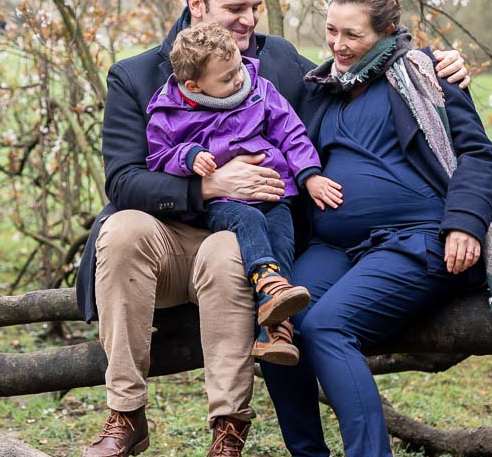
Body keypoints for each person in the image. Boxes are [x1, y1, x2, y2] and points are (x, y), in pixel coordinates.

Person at [74, 0, 469, 457]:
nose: (249, 21)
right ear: (196, 5)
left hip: (240, 243)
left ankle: (227, 439)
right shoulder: (137, 77)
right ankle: (124, 414)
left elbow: (355, 67)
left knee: (233, 253)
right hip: (166, 241)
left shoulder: (278, 63)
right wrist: (207, 185)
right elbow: (123, 180)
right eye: (236, 8)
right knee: (123, 229)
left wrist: (434, 63)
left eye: (257, 8)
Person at [245, 0, 492, 457]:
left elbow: (476, 154)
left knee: (328, 326)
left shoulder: (425, 74)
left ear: (388, 33)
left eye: (352, 34)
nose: (338, 44)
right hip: (334, 246)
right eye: (330, 30)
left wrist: (464, 223)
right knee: (281, 312)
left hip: (418, 238)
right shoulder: (320, 86)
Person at [146, 22, 344, 369]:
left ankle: (273, 332)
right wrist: (189, 157)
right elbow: (158, 157)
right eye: (227, 78)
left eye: (238, 67)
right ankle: (268, 285)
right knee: (248, 220)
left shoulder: (259, 90)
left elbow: (291, 133)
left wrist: (309, 174)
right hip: (224, 203)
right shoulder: (170, 112)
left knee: (282, 240)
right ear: (194, 86)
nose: (238, 79)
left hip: (274, 192)